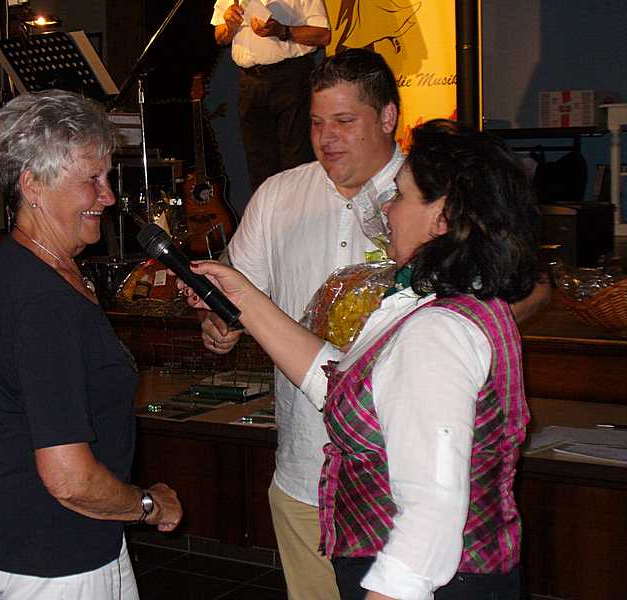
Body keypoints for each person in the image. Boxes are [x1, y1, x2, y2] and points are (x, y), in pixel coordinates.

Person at [184, 118, 541, 599]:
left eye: (401, 195)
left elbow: (431, 514)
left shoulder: (436, 332)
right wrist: (243, 297)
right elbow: (338, 382)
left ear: (441, 219)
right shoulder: (445, 301)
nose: (387, 208)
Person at [203, 47, 404, 600]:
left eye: (344, 121)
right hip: (302, 472)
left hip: (397, 479)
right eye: (317, 123)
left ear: (387, 117)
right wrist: (219, 323)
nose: (326, 138)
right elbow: (235, 292)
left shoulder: (424, 196)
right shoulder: (279, 194)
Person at [0, 89, 182, 600]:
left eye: (106, 178)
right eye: (92, 179)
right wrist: (147, 505)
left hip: (74, 541)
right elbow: (69, 479)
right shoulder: (42, 299)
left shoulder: (42, 267)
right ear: (33, 185)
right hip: (53, 557)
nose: (107, 197)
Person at [211, 0, 331, 192]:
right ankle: (266, 211)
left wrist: (282, 31)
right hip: (249, 82)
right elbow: (220, 37)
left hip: (290, 78)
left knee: (296, 162)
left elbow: (323, 35)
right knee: (259, 166)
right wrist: (229, 27)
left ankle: (299, 211)